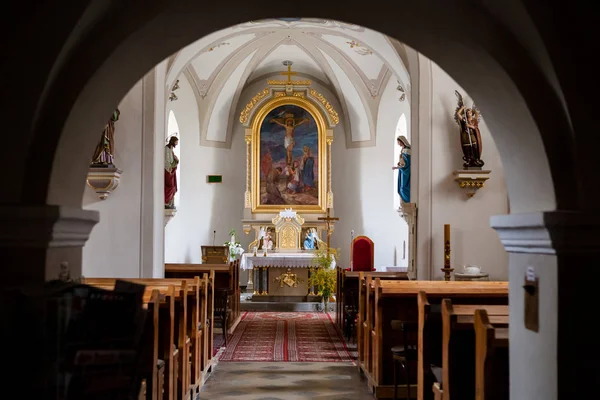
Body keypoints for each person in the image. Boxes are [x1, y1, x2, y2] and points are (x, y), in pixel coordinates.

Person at [454, 90, 484, 168]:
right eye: (467, 113)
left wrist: (470, 126)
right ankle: (468, 160)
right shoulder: (464, 120)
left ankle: (476, 159)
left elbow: (475, 127)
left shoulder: (474, 120)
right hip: (465, 136)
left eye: (470, 112)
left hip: (472, 135)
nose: (468, 113)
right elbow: (458, 114)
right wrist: (462, 108)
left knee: (474, 146)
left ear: (472, 113)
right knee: (467, 148)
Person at [392, 135, 411, 204]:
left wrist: (397, 167)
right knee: (401, 187)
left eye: (398, 142)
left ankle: (407, 201)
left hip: (406, 171)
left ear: (402, 141)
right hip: (402, 171)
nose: (398, 143)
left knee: (403, 188)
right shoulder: (403, 150)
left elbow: (406, 164)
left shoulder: (407, 150)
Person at [164, 135, 179, 209]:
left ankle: (170, 201)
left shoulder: (171, 149)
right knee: (169, 186)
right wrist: (169, 168)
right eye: (176, 142)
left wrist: (176, 159)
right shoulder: (166, 148)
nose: (177, 144)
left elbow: (173, 160)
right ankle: (166, 202)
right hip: (168, 170)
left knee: (173, 186)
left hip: (172, 170)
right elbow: (166, 159)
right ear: (173, 141)